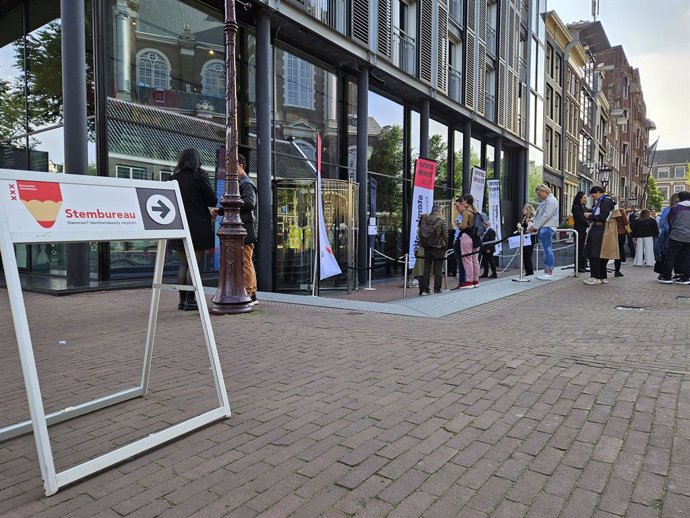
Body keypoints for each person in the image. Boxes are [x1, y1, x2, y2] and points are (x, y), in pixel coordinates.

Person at [170, 149, 218, 310]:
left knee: (183, 264)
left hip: (178, 226)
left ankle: (182, 300)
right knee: (194, 265)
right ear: (197, 161)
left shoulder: (173, 179)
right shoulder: (199, 177)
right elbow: (212, 199)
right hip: (197, 227)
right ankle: (190, 301)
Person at [583, 186, 617, 285]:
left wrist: (589, 216)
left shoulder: (605, 200)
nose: (593, 198)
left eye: (593, 195)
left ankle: (595, 277)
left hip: (599, 229)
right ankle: (602, 276)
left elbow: (602, 216)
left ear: (598, 192)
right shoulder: (608, 200)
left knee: (594, 252)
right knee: (602, 253)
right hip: (603, 229)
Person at [238, 155, 258, 305]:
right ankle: (251, 292)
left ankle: (250, 293)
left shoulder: (246, 183)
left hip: (246, 226)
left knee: (246, 260)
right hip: (243, 226)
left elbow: (250, 203)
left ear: (241, 166)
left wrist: (230, 204)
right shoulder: (242, 182)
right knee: (245, 260)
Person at [528, 184, 559, 280]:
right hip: (545, 227)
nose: (539, 196)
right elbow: (541, 215)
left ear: (545, 191)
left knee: (547, 250)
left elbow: (546, 215)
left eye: (540, 194)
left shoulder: (551, 201)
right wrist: (533, 220)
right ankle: (547, 271)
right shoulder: (548, 200)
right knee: (546, 250)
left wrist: (535, 226)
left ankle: (549, 272)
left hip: (547, 227)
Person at [659, 190, 690, 284]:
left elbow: (670, 222)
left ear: (679, 198)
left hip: (676, 235)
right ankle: (685, 277)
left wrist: (672, 230)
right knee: (687, 257)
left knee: (671, 256)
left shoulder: (675, 208)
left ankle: (667, 276)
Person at [419, 204, 448, 295]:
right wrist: (445, 246)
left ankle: (425, 289)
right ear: (439, 210)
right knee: (438, 268)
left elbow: (421, 233)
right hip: (438, 247)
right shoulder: (441, 221)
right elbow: (446, 235)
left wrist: (423, 244)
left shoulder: (425, 220)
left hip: (427, 247)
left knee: (426, 268)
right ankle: (437, 288)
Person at [458, 194, 480, 288]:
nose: (462, 202)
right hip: (475, 237)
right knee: (475, 259)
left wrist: (458, 226)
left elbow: (463, 226)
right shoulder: (475, 211)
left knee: (467, 259)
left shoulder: (466, 212)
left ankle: (469, 281)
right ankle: (475, 280)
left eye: (463, 201)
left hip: (467, 236)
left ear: (466, 201)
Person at [450, 198, 467, 290]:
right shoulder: (459, 216)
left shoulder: (466, 215)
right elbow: (457, 229)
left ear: (462, 204)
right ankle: (462, 282)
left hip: (462, 241)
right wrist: (455, 239)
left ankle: (464, 282)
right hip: (457, 241)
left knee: (463, 262)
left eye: (457, 206)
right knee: (460, 263)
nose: (456, 208)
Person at [571, 191, 590, 272]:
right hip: (579, 230)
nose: (586, 200)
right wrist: (588, 224)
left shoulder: (583, 207)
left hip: (583, 230)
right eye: (584, 198)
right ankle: (578, 266)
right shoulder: (576, 207)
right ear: (580, 198)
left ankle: (583, 265)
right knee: (579, 248)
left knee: (583, 248)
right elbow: (581, 219)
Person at [612, 196, 630, 277]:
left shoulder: (608, 210)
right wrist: (629, 232)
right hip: (620, 233)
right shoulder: (621, 211)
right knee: (619, 250)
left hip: (611, 233)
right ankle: (617, 270)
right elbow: (626, 223)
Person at [520, 204, 536, 276]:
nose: (523, 210)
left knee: (527, 255)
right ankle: (528, 271)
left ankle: (530, 271)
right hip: (525, 238)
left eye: (524, 209)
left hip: (529, 238)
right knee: (524, 255)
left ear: (528, 209)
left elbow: (532, 229)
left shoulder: (531, 218)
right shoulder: (525, 218)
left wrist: (525, 230)